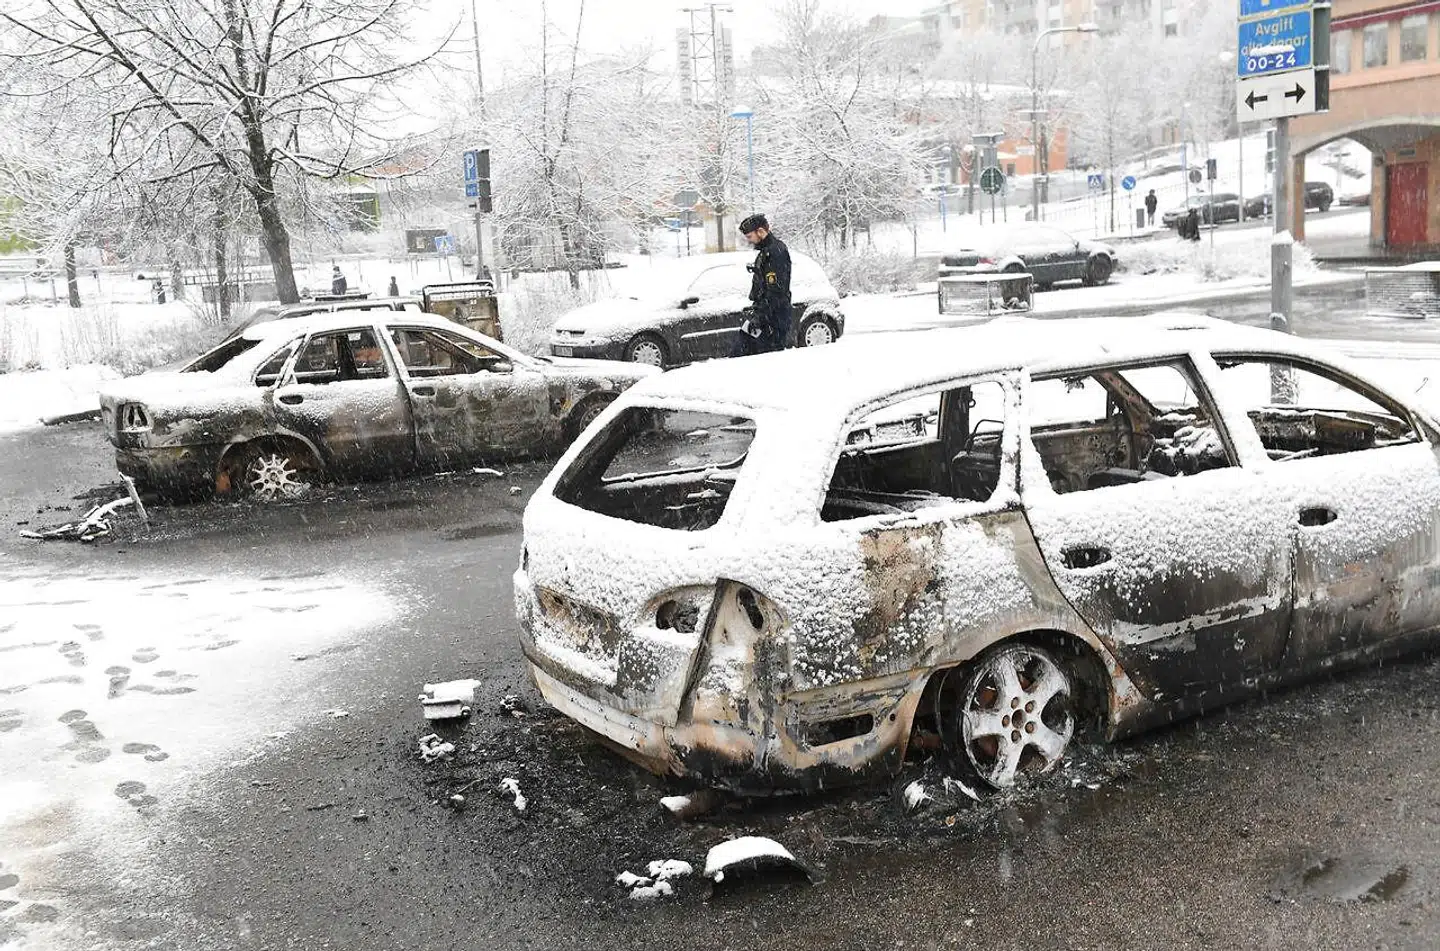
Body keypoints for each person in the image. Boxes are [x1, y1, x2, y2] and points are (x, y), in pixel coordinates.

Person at [733, 213, 792, 357]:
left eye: (749, 236)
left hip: (773, 319)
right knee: (739, 352)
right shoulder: (765, 252)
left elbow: (776, 292)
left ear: (760, 231)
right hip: (763, 315)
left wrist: (760, 318)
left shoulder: (776, 252)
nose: (749, 241)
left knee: (764, 361)